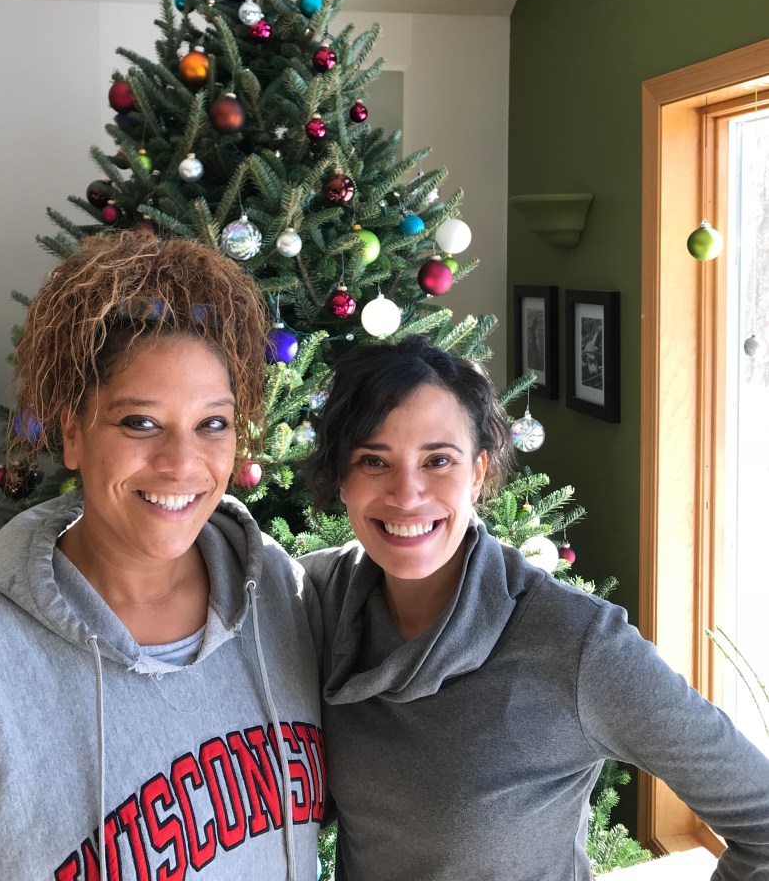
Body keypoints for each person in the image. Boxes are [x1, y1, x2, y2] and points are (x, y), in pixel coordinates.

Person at [0, 231, 325, 881]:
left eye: (212, 424)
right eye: (140, 422)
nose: (182, 463)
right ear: (73, 435)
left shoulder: (289, 604)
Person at [301, 335, 769, 881]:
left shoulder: (578, 644)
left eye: (438, 460)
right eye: (373, 461)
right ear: (342, 477)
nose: (407, 495)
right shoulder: (315, 599)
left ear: (477, 473)